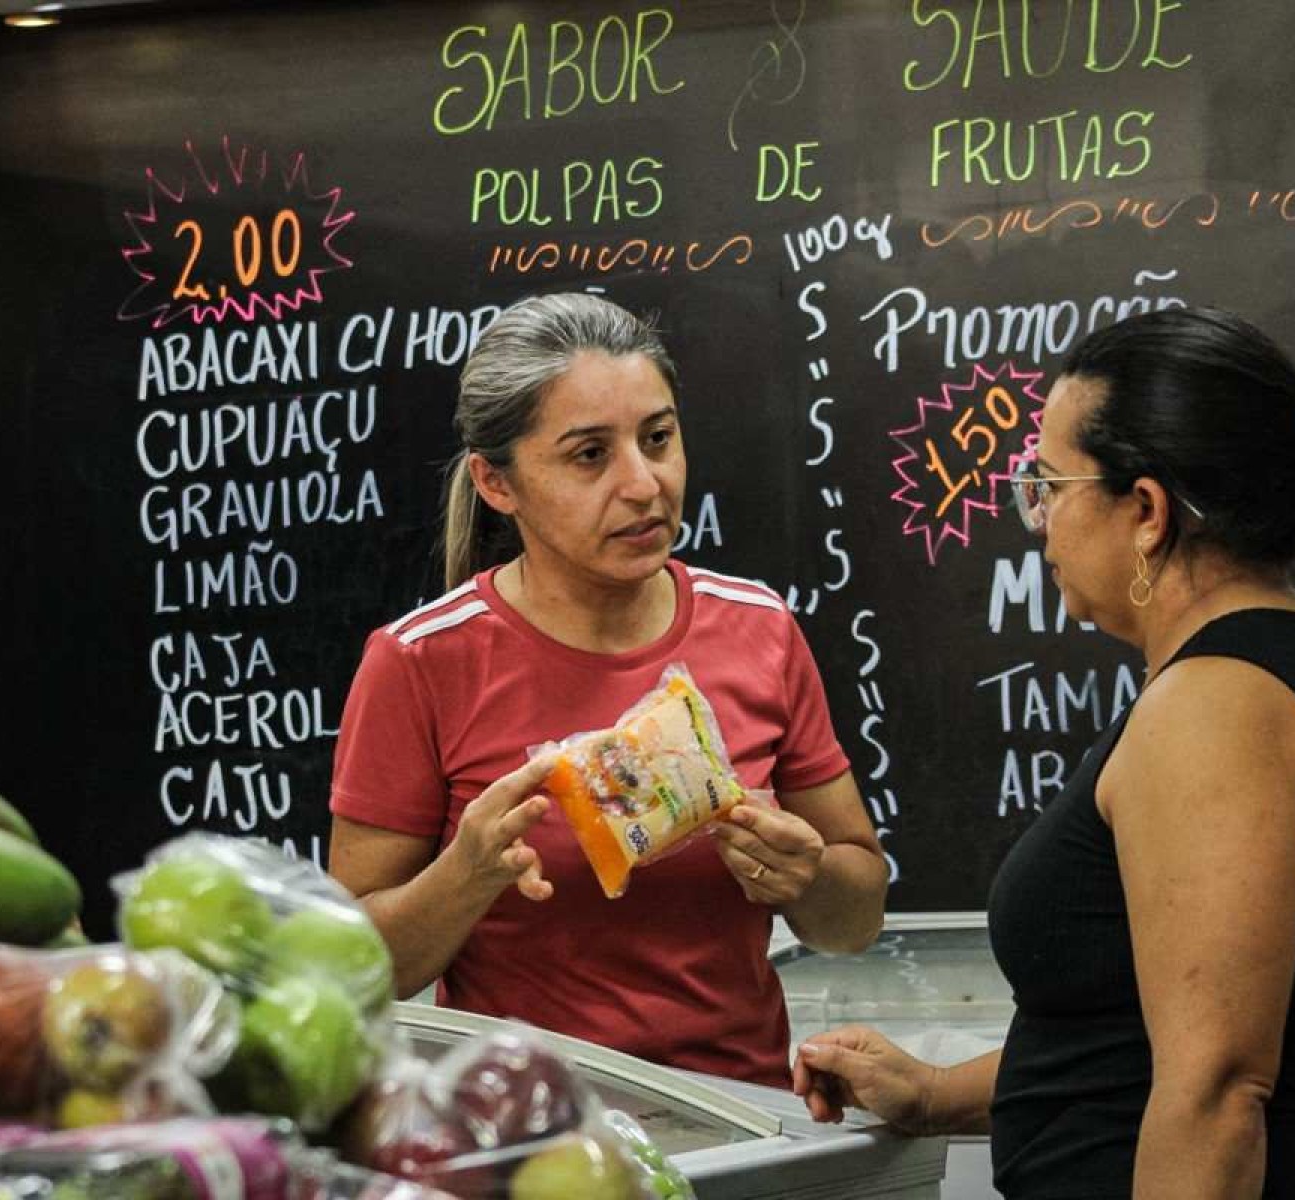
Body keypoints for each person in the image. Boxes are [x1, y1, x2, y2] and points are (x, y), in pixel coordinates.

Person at [792, 307, 1295, 1197]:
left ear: (1148, 511)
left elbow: (1214, 1095)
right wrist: (932, 1094)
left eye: (1049, 484)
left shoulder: (1216, 711)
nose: (1037, 520)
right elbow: (1129, 1043)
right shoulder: (1269, 664)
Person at [328, 292, 889, 1086]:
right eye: (590, 455)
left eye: (658, 439)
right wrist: (468, 873)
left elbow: (856, 918)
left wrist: (810, 878)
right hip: (525, 1136)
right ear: (497, 483)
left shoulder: (759, 628)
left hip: (750, 1122)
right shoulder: (419, 662)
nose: (644, 484)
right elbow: (352, 971)